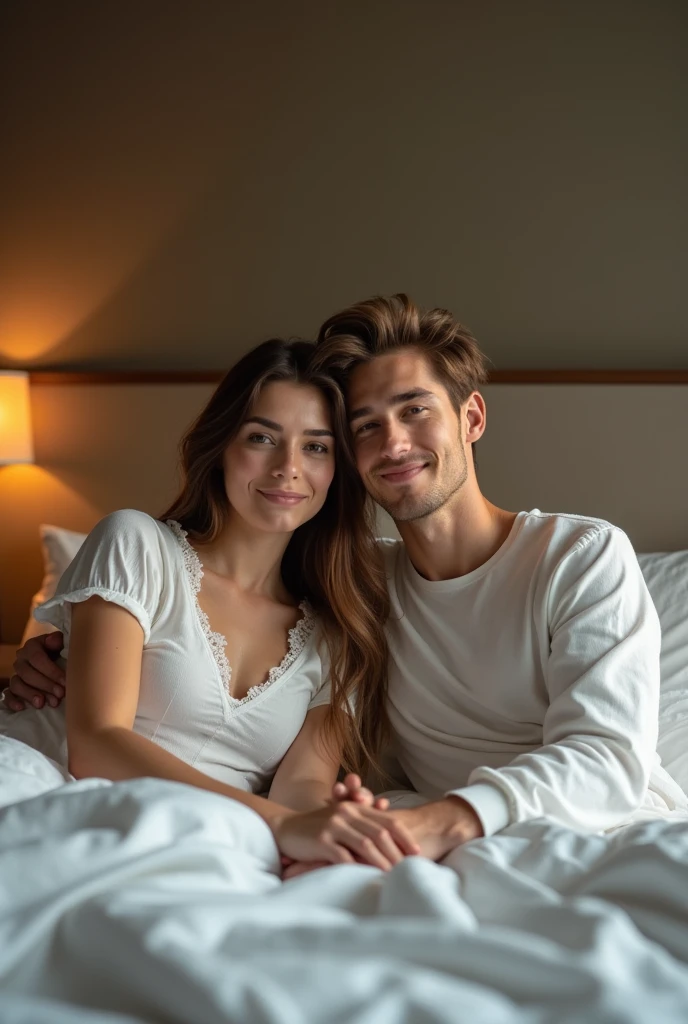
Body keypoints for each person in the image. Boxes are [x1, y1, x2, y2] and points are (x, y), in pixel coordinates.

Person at [9, 295, 688, 864]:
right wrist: (51, 653)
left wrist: (390, 828)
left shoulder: (569, 557)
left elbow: (606, 756)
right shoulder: (359, 587)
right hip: (101, 803)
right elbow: (106, 727)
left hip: (569, 834)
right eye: (364, 426)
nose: (392, 443)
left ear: (472, 417)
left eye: (415, 410)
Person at [0, 337, 419, 872]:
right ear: (221, 446)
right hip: (57, 793)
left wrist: (333, 828)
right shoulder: (137, 543)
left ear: (337, 470)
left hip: (207, 839)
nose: (288, 467)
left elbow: (303, 787)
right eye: (263, 437)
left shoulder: (341, 630)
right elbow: (96, 743)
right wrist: (282, 824)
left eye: (316, 447)